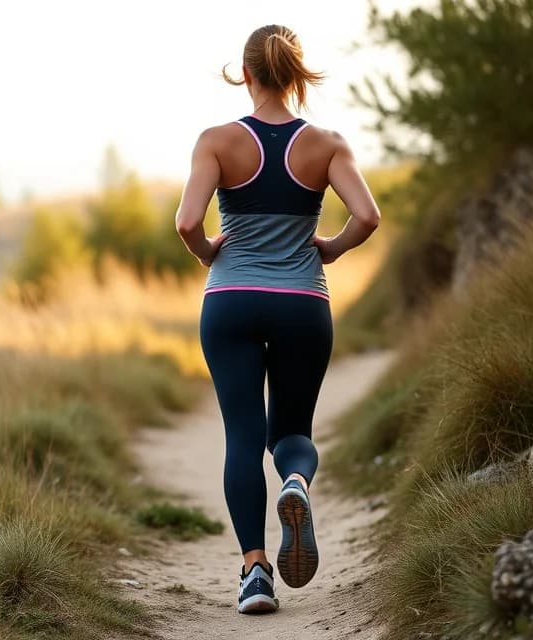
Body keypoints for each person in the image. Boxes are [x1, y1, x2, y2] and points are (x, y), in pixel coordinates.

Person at [174, 24, 381, 615]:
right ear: (296, 72)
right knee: (291, 434)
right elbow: (367, 215)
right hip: (302, 305)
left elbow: (188, 223)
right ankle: (296, 483)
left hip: (231, 301)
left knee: (242, 436)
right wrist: (333, 248)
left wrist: (212, 252)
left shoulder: (216, 141)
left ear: (245, 73)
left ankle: (255, 573)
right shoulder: (327, 143)